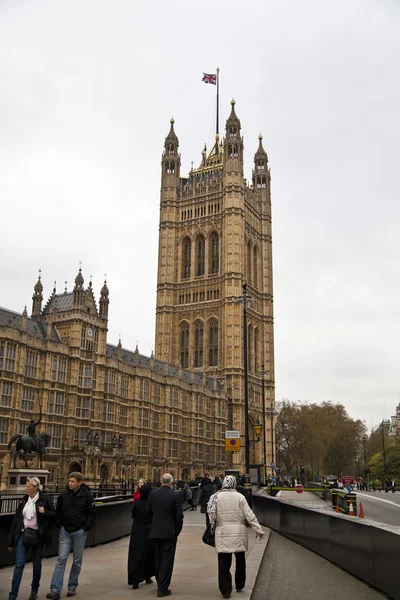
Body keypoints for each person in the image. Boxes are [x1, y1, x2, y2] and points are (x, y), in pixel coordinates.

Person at [207, 475, 264, 599]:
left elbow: (211, 516)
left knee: (223, 562)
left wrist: (212, 530)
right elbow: (249, 515)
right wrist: (258, 530)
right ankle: (239, 584)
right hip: (239, 532)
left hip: (222, 532)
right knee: (240, 560)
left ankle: (225, 590)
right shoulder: (240, 497)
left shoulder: (215, 497)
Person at [46, 472, 96, 599]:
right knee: (61, 558)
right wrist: (60, 524)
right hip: (65, 531)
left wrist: (85, 528)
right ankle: (55, 588)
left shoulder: (87, 496)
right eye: (69, 481)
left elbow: (92, 513)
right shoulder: (63, 495)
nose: (70, 483)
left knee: (77, 560)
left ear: (79, 483)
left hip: (79, 531)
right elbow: (58, 511)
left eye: (73, 481)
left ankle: (72, 585)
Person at [8, 477, 54, 600]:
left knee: (36, 565)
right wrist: (11, 540)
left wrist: (45, 512)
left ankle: (34, 590)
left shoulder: (45, 499)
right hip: (23, 535)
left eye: (28, 486)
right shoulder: (23, 500)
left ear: (35, 487)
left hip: (38, 536)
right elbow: (16, 521)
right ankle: (13, 594)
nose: (26, 488)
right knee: (19, 565)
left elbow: (53, 515)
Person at [148, 473, 183, 598]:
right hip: (169, 532)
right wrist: (176, 531)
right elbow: (179, 516)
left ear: (161, 481)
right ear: (171, 482)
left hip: (155, 531)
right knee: (167, 560)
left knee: (157, 558)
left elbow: (149, 512)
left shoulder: (153, 494)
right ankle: (162, 588)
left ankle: (160, 583)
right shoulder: (175, 495)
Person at [128, 483, 155, 589]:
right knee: (149, 554)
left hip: (137, 532)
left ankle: (135, 579)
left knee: (136, 555)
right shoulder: (151, 504)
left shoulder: (137, 504)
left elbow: (133, 515)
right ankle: (148, 576)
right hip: (149, 531)